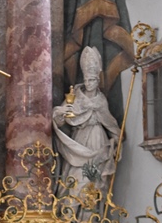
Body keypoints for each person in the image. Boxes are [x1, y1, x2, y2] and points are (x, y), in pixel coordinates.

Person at [52, 46, 121, 202]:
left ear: (97, 80)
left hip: (97, 140)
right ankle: (70, 216)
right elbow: (61, 120)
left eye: (92, 80)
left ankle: (89, 217)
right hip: (79, 141)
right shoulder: (74, 96)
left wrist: (117, 140)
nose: (88, 83)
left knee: (92, 180)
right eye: (86, 80)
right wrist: (60, 114)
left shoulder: (101, 101)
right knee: (74, 178)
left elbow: (110, 123)